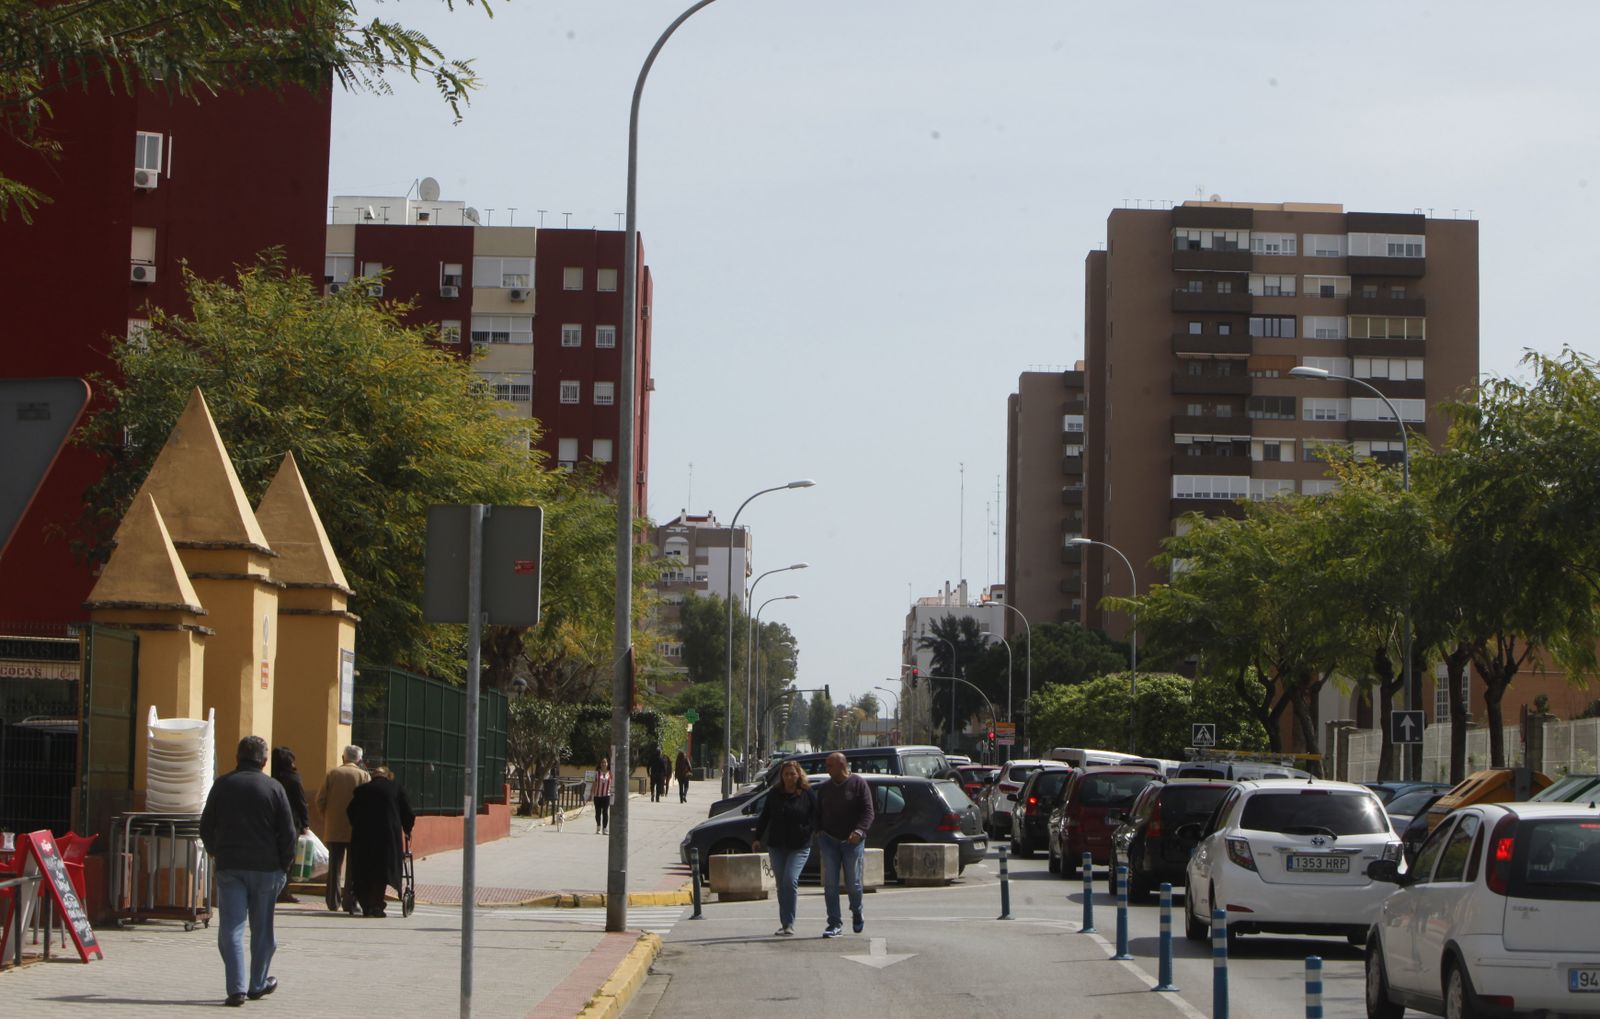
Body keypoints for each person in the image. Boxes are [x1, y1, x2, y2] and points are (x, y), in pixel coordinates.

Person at [200, 735, 296, 1006]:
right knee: (263, 929)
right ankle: (257, 983)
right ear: (264, 761)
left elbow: (206, 826)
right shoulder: (274, 788)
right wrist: (284, 865)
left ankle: (237, 988)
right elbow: (288, 833)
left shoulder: (222, 785)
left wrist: (216, 850)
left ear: (236, 757)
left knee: (231, 928)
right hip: (267, 869)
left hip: (230, 866)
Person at [750, 759, 816, 937]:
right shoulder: (775, 793)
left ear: (798, 774)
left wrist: (808, 831)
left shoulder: (807, 793)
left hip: (800, 845)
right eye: (786, 774)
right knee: (781, 885)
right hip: (777, 845)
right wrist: (757, 838)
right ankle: (785, 923)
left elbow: (816, 816)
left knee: (790, 880)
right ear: (782, 776)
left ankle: (790, 923)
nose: (789, 777)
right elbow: (765, 816)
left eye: (792, 774)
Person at [814, 751, 874, 938]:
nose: (827, 769)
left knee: (853, 883)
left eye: (830, 765)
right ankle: (834, 923)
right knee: (830, 884)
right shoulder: (824, 788)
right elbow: (817, 812)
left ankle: (857, 910)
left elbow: (868, 812)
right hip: (829, 840)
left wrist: (859, 831)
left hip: (852, 841)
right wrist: (818, 830)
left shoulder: (858, 784)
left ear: (841, 765)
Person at [345, 765, 415, 917]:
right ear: (388, 776)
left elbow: (350, 811)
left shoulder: (362, 790)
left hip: (363, 837)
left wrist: (357, 825)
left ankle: (366, 904)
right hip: (387, 838)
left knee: (365, 869)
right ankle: (377, 905)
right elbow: (407, 812)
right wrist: (407, 828)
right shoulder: (396, 788)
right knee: (381, 871)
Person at [315, 744, 369, 913]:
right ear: (359, 759)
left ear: (343, 757)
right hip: (356, 828)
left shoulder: (333, 774)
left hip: (334, 827)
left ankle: (332, 901)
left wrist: (327, 817)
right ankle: (350, 902)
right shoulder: (364, 775)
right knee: (353, 868)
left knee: (334, 867)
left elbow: (320, 799)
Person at [269, 746, 310, 903]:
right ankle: (283, 891)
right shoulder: (293, 777)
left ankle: (275, 889)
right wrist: (306, 822)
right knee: (288, 856)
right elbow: (301, 802)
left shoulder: (272, 777)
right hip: (292, 821)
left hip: (272, 821)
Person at [591, 758, 613, 835]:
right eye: (602, 762)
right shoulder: (597, 773)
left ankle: (605, 829)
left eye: (605, 762)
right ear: (600, 764)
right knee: (597, 812)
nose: (603, 764)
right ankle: (598, 828)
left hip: (606, 795)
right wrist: (592, 794)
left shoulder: (610, 773)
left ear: (607, 764)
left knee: (605, 812)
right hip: (597, 796)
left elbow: (613, 784)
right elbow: (594, 784)